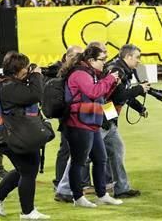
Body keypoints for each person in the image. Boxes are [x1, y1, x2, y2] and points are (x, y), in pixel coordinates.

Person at [60, 45, 124, 208]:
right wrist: (109, 79)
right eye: (102, 59)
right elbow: (93, 92)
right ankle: (78, 197)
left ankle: (102, 194)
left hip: (91, 122)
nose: (104, 63)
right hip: (79, 123)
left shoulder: (90, 73)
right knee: (79, 162)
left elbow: (100, 96)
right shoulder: (80, 73)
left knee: (100, 159)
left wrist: (112, 83)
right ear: (90, 60)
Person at [0, 52, 51, 219]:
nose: (28, 70)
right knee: (28, 172)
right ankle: (27, 212)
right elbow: (35, 95)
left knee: (24, 170)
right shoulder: (8, 87)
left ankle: (0, 199)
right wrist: (36, 75)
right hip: (11, 136)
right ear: (18, 70)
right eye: (26, 67)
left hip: (14, 135)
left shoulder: (9, 84)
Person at [100, 45, 148, 198]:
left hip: (106, 113)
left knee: (116, 149)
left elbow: (122, 95)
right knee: (84, 154)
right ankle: (65, 189)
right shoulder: (117, 71)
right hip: (101, 114)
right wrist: (139, 89)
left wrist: (139, 108)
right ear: (128, 57)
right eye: (137, 57)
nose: (139, 61)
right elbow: (119, 96)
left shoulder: (122, 71)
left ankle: (121, 188)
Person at [49, 46, 83, 192]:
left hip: (78, 114)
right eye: (76, 55)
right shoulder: (59, 71)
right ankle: (60, 181)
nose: (78, 58)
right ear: (67, 56)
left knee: (75, 150)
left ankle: (77, 182)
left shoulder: (76, 70)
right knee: (66, 148)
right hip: (67, 114)